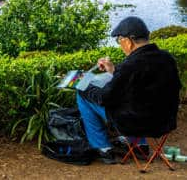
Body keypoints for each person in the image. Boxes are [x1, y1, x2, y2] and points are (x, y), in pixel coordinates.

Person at [77, 16, 181, 164]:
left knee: (82, 94)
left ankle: (102, 148)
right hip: (165, 122)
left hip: (135, 124)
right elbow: (141, 81)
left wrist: (84, 86)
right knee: (138, 104)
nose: (120, 44)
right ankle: (140, 145)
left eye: (119, 40)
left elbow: (105, 98)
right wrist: (113, 70)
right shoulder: (167, 58)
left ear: (128, 40)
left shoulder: (131, 65)